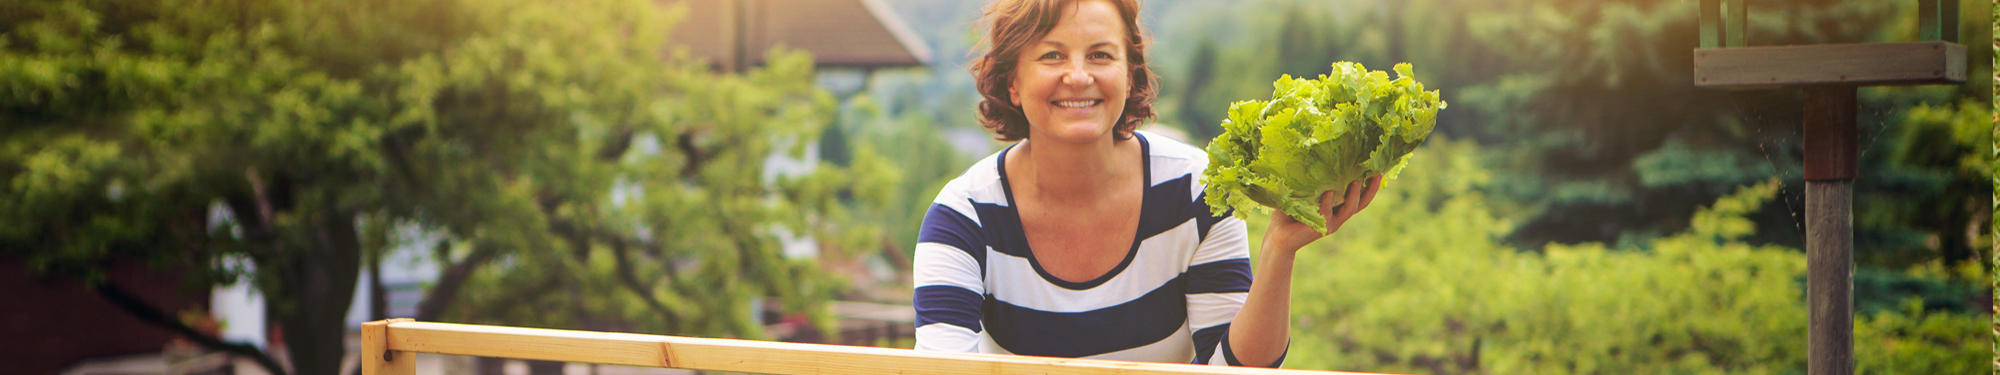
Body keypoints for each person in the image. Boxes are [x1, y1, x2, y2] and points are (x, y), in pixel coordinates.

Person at [911, 0, 1381, 368]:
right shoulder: (962, 216)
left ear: (1130, 72)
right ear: (1013, 82)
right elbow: (941, 367)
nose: (1078, 76)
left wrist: (1280, 248)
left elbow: (1236, 369)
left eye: (1100, 55)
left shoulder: (1195, 189)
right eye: (1052, 55)